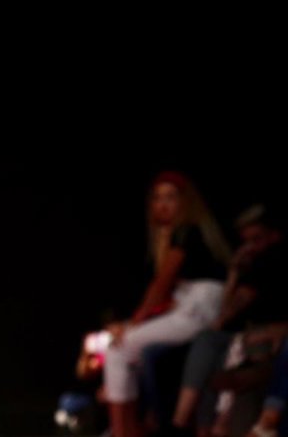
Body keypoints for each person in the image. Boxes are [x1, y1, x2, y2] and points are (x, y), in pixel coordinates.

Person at [102, 170, 231, 437]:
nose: (163, 204)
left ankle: (122, 431)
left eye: (171, 198)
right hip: (190, 307)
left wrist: (134, 322)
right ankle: (128, 427)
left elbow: (161, 284)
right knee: (123, 348)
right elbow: (169, 295)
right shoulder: (172, 236)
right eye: (158, 198)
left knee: (118, 350)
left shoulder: (186, 231)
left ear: (185, 202)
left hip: (199, 309)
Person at [172, 203, 286, 436]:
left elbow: (239, 304)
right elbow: (224, 314)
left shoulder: (274, 259)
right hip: (245, 332)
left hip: (271, 336)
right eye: (247, 241)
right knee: (207, 340)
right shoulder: (252, 265)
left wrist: (279, 329)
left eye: (257, 239)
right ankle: (182, 423)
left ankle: (226, 424)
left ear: (274, 235)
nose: (251, 246)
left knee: (236, 352)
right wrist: (234, 272)